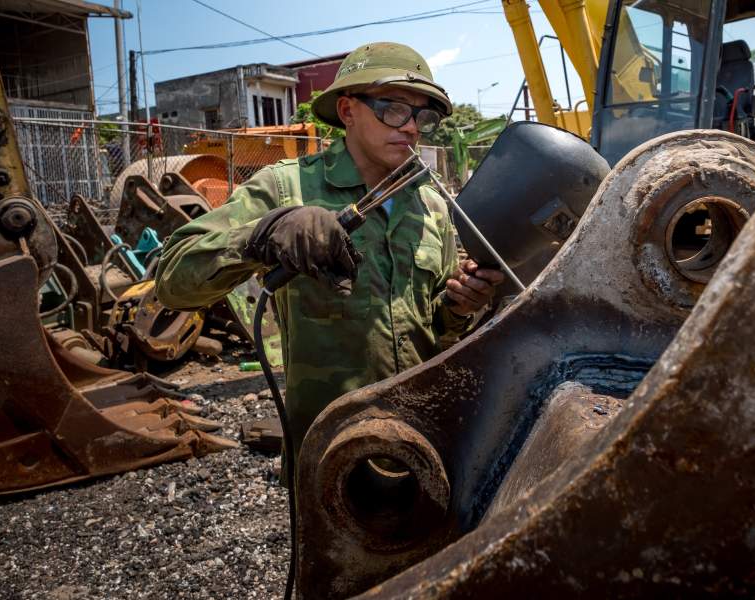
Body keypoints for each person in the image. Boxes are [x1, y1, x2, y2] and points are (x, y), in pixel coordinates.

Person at [156, 42, 503, 458]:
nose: (411, 127)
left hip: (422, 439)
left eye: (422, 116)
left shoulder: (429, 205)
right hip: (332, 450)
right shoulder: (287, 187)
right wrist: (263, 233)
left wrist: (459, 307)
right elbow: (173, 282)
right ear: (347, 112)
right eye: (394, 109)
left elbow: (439, 331)